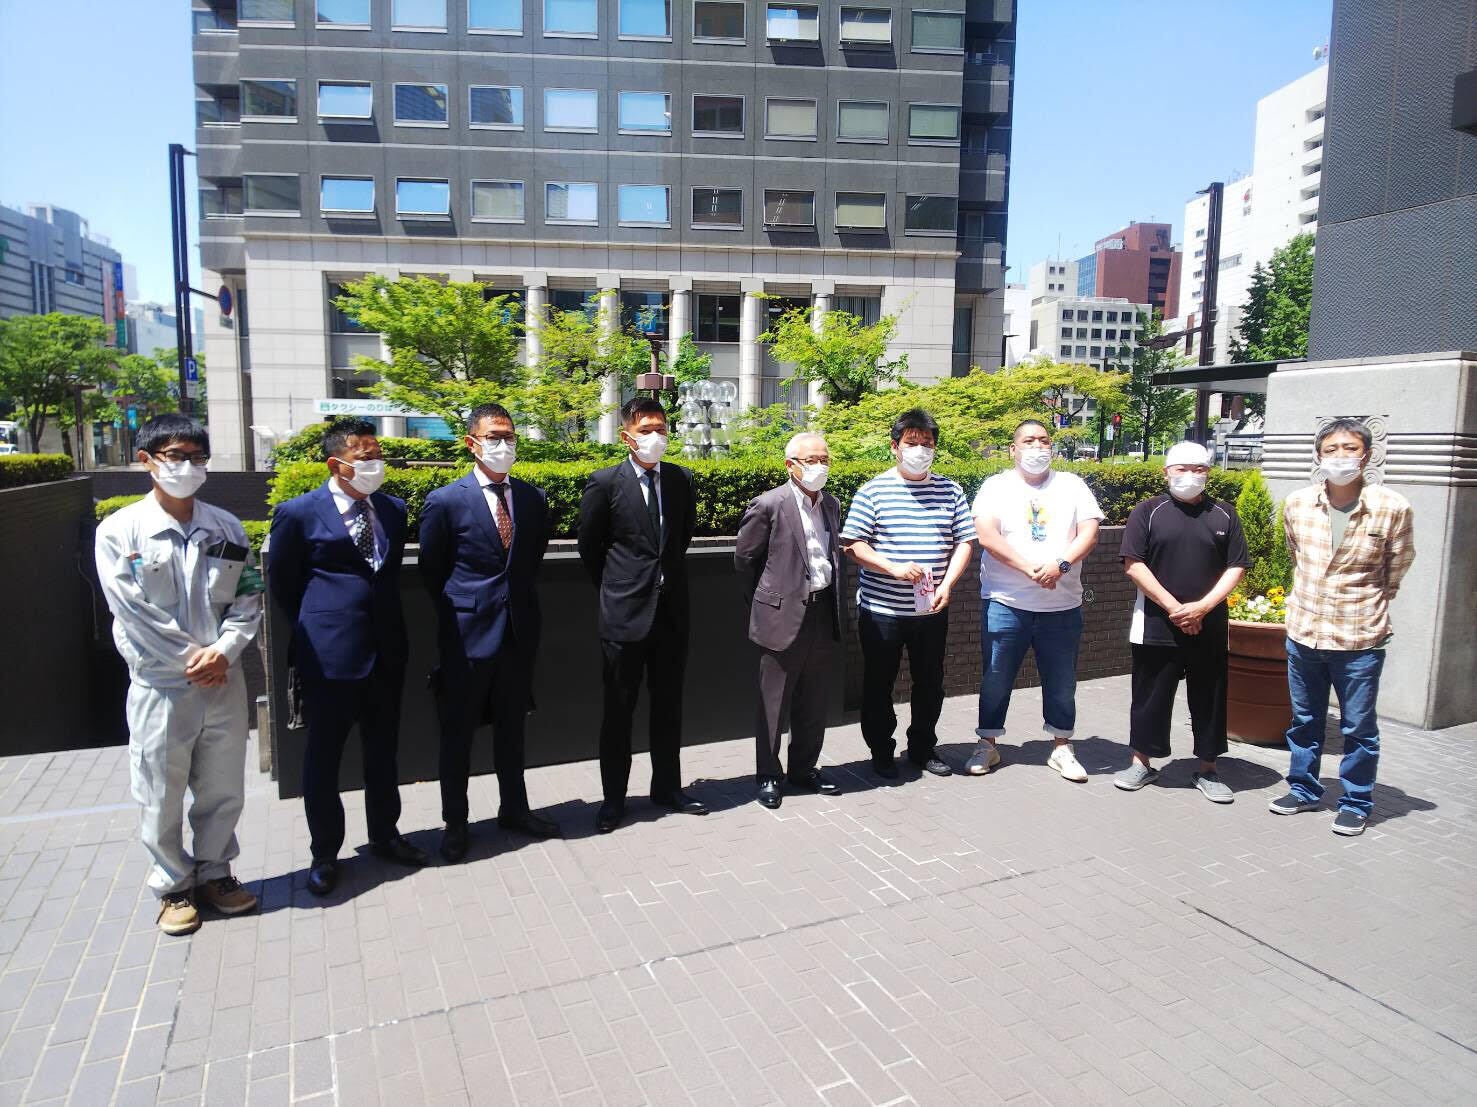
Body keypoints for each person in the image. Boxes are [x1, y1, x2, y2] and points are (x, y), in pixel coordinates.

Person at [95, 414, 262, 935]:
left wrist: (224, 652)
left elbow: (248, 595)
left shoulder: (226, 527)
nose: (188, 467)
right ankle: (172, 885)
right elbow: (133, 612)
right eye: (176, 457)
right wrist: (196, 658)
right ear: (146, 460)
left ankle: (216, 873)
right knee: (159, 791)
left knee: (222, 786)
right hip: (162, 685)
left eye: (197, 457)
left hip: (223, 680)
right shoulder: (120, 532)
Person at [267, 418, 427, 896]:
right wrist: (323, 624)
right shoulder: (298, 513)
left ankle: (385, 835)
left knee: (383, 752)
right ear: (336, 464)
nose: (376, 464)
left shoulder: (393, 509)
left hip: (386, 650)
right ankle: (324, 853)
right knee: (324, 758)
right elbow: (284, 585)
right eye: (365, 457)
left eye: (378, 455)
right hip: (328, 656)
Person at [419, 403, 559, 861]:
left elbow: (529, 560)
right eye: (494, 437)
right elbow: (433, 570)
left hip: (518, 632)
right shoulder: (446, 501)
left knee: (512, 729)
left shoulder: (533, 498)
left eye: (509, 437)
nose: (503, 445)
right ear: (471, 443)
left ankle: (514, 810)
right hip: (466, 637)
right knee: (457, 734)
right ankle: (455, 823)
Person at [1270, 418, 1415, 836]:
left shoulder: (1392, 507)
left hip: (1359, 636)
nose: (1340, 456)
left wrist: (1368, 600)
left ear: (1366, 454)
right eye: (1331, 449)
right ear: (1318, 455)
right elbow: (1297, 557)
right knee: (1305, 720)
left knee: (1358, 727)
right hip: (1305, 632)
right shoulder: (1298, 504)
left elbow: (1398, 564)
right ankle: (1303, 788)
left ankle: (1355, 801)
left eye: (1349, 448)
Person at [577, 397, 704, 833]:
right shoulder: (604, 483)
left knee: (668, 707)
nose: (655, 437)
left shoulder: (681, 479)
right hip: (624, 614)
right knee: (619, 711)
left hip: (671, 613)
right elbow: (589, 547)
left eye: (661, 429)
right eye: (646, 429)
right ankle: (613, 799)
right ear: (626, 436)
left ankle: (667, 788)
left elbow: (680, 538)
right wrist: (618, 588)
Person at [839, 409, 975, 779]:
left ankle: (922, 748)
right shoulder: (873, 490)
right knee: (879, 683)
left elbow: (965, 541)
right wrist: (893, 567)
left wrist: (947, 585)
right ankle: (881, 751)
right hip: (882, 610)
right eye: (911, 443)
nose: (920, 450)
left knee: (930, 683)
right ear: (895, 446)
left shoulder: (950, 490)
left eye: (927, 443)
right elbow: (853, 545)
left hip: (931, 609)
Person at [1115, 441, 1250, 803]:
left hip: (1209, 626)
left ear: (1208, 472)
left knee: (1209, 698)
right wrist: (1176, 608)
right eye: (1182, 468)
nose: (1190, 475)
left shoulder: (1225, 514)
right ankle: (1141, 763)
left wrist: (1202, 608)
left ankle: (1208, 768)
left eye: (1198, 469)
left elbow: (1236, 566)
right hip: (1156, 625)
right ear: (1167, 472)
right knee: (1149, 698)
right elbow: (1134, 564)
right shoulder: (1147, 511)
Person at [969, 419, 1103, 781]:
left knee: (1062, 682)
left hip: (1062, 606)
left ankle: (1062, 747)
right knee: (995, 678)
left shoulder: (1072, 485)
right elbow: (987, 535)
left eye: (1044, 440)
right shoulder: (996, 486)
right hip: (1005, 602)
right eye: (1029, 441)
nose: (1037, 447)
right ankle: (988, 743)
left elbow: (1089, 533)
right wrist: (1028, 568)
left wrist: (1060, 565)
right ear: (1013, 449)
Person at [734, 431, 845, 809]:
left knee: (814, 699)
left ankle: (804, 769)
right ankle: (768, 774)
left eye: (824, 460)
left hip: (823, 611)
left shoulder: (831, 504)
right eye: (811, 460)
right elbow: (745, 560)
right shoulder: (769, 504)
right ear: (790, 465)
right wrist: (767, 602)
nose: (820, 467)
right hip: (782, 615)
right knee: (773, 702)